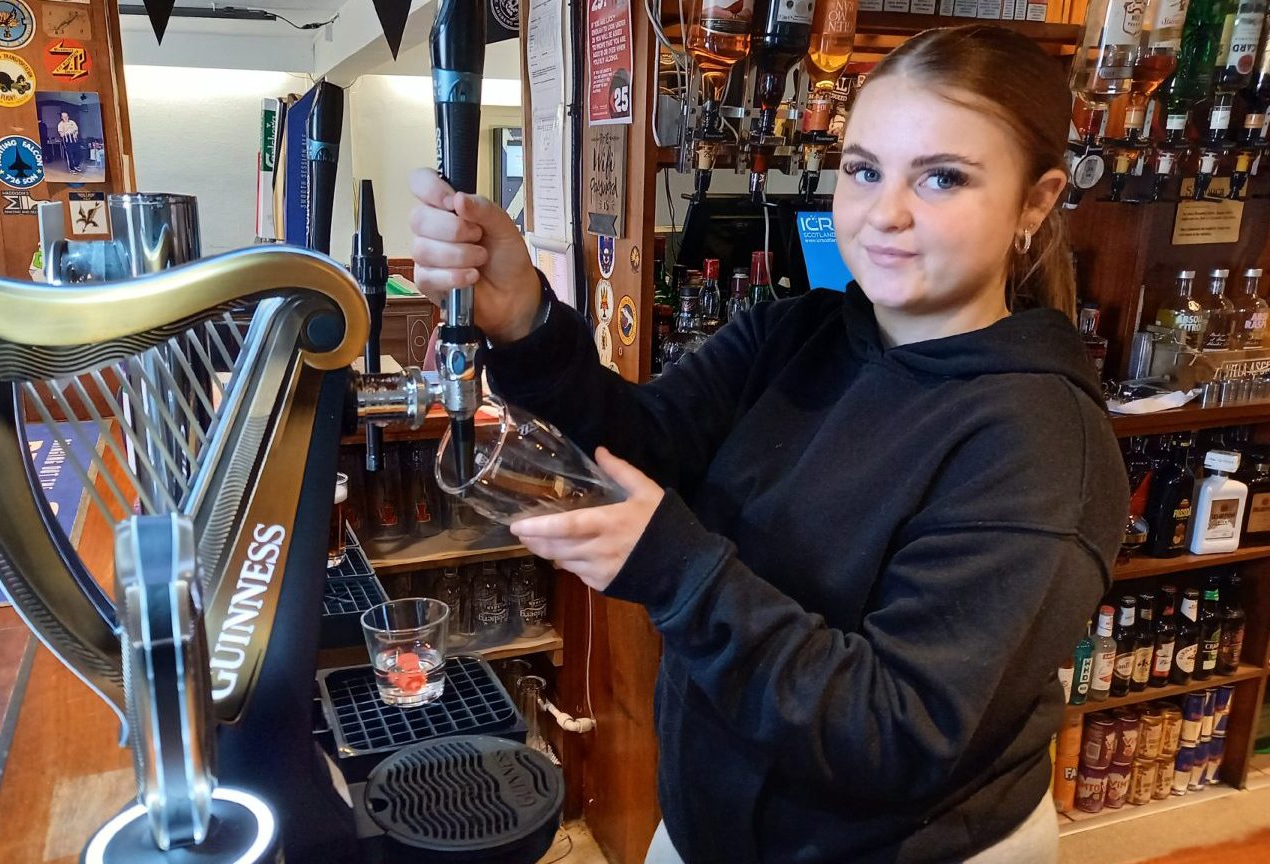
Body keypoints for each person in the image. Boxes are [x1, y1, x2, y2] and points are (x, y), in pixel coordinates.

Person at [408, 25, 1126, 864]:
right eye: (863, 170)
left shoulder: (1039, 444)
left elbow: (898, 731)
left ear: (1034, 203)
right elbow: (643, 443)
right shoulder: (793, 333)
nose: (886, 213)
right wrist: (523, 317)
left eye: (941, 178)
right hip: (713, 826)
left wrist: (676, 568)